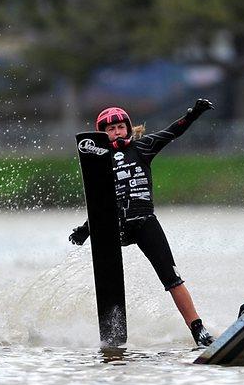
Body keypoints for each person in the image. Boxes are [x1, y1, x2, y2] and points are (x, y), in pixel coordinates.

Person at [69, 99, 215, 347]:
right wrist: (86, 230)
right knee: (109, 278)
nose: (117, 132)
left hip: (144, 222)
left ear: (127, 127)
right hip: (116, 226)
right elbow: (99, 202)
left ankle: (198, 330)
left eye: (120, 127)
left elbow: (173, 131)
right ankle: (111, 333)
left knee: (172, 278)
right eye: (110, 129)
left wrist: (194, 114)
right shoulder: (99, 160)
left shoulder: (143, 147)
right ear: (102, 133)